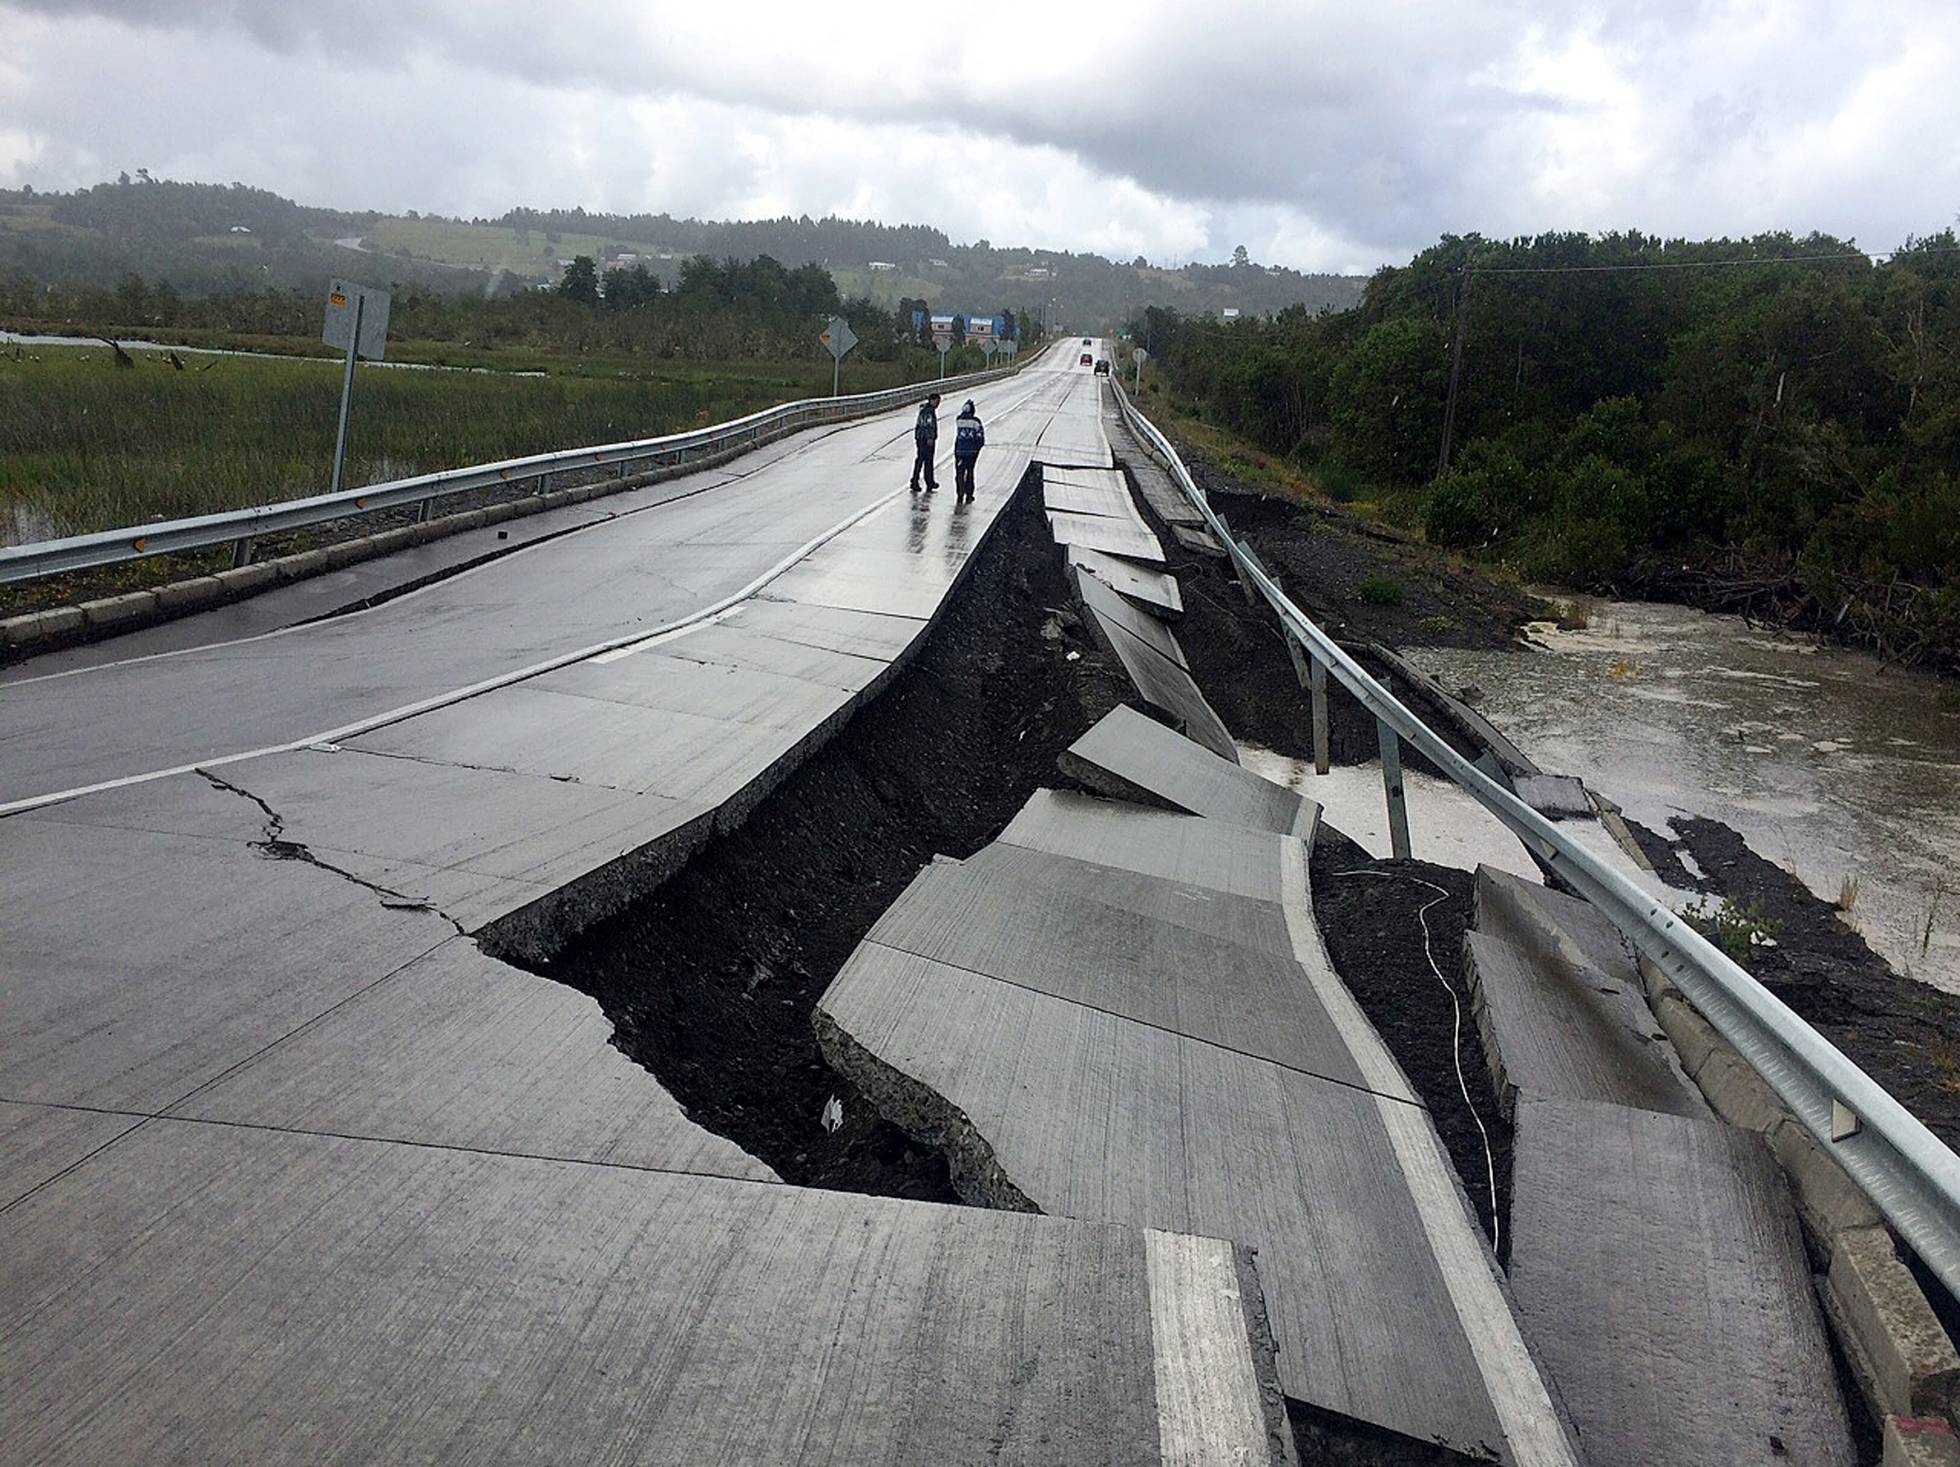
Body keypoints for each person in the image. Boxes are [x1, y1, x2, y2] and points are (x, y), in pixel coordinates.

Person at [952, 400, 985, 502]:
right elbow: (980, 437)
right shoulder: (976, 422)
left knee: (959, 473)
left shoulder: (958, 420)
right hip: (972, 452)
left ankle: (960, 494)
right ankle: (969, 494)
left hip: (960, 451)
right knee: (970, 472)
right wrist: (978, 447)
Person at [909, 392, 941, 493]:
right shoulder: (928, 411)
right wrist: (930, 437)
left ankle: (928, 481)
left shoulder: (924, 409)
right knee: (925, 461)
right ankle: (917, 481)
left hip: (920, 438)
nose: (938, 404)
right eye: (937, 402)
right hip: (925, 439)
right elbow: (927, 425)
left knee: (923, 460)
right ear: (932, 400)